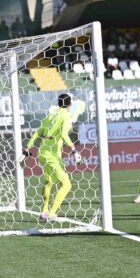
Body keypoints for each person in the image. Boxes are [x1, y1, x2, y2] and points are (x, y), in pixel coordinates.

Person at [22, 93, 82, 222]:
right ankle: (52, 213)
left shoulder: (52, 114)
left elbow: (39, 131)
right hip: (51, 155)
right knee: (66, 185)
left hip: (43, 152)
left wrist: (28, 147)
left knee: (48, 182)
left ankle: (44, 211)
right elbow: (64, 134)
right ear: (69, 104)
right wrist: (73, 150)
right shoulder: (65, 115)